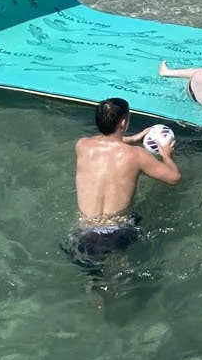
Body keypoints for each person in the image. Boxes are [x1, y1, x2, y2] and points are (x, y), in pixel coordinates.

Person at [70, 96, 181, 264]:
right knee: (117, 274)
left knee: (94, 277)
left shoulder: (82, 146)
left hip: (84, 231)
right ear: (123, 123)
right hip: (118, 232)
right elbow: (174, 178)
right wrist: (166, 155)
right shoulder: (137, 155)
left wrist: (134, 138)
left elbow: (103, 141)